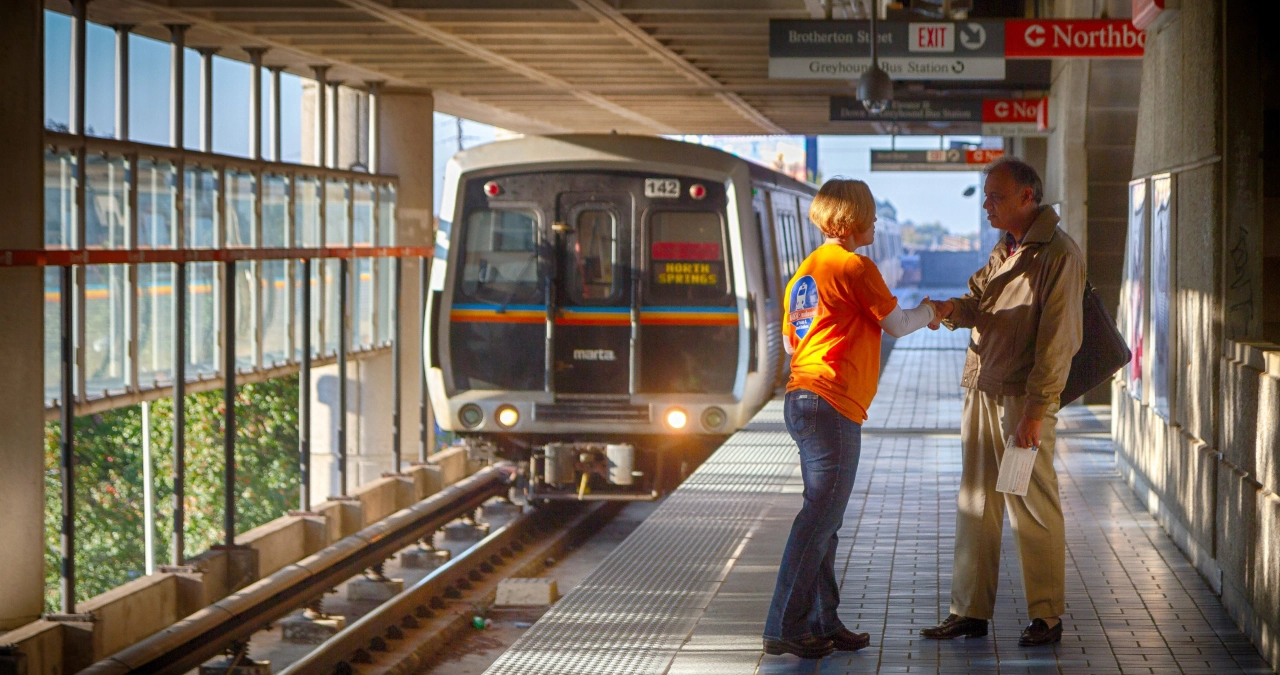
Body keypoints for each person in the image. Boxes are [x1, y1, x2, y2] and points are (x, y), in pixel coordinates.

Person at [763, 179, 937, 659]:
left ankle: (822, 620)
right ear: (853, 218)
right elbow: (898, 325)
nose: (877, 222)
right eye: (871, 213)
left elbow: (791, 343)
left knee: (825, 520)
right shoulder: (856, 267)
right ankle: (785, 625)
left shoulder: (806, 271)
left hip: (802, 399)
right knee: (818, 517)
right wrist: (933, 311)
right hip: (831, 404)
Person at [922, 157, 1084, 647]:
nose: (987, 205)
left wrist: (1037, 412)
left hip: (1020, 401)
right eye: (987, 196)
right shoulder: (1007, 247)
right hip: (982, 388)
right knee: (977, 501)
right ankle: (969, 610)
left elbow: (1058, 342)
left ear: (1026, 198)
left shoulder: (1056, 254)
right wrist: (951, 311)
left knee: (1030, 504)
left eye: (996, 196)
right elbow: (980, 302)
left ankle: (1046, 616)